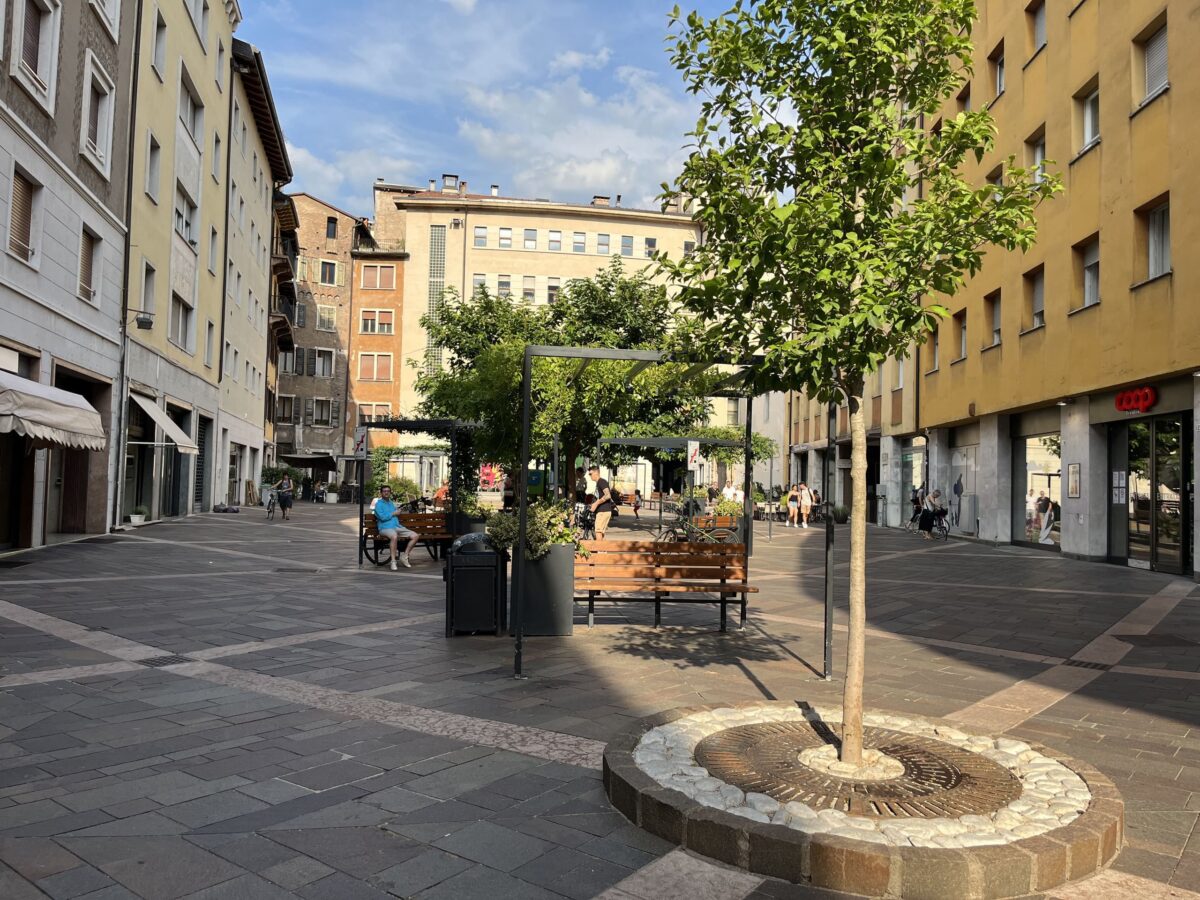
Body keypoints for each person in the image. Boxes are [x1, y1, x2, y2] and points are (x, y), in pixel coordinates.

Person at [373, 484, 418, 570]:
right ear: (381, 493)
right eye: (384, 491)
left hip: (396, 526)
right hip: (385, 528)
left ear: (390, 493)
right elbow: (382, 518)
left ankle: (405, 556)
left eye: (388, 491)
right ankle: (393, 561)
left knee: (415, 536)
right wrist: (394, 513)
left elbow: (395, 515)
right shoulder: (378, 504)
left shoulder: (391, 503)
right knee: (394, 536)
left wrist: (399, 511)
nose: (386, 493)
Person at [588, 465, 615, 540]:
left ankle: (599, 550)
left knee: (598, 531)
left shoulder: (601, 481)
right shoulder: (599, 483)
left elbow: (608, 495)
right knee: (600, 532)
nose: (590, 476)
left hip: (603, 510)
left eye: (591, 474)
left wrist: (596, 503)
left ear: (596, 473)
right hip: (603, 511)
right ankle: (601, 550)